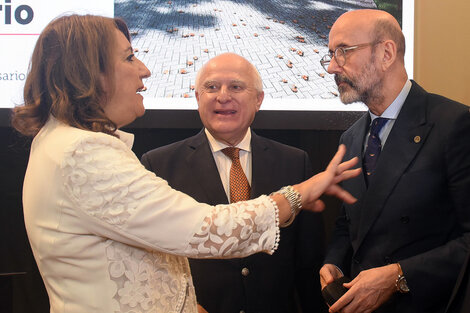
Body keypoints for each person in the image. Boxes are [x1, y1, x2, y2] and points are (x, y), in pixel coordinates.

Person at [11, 14, 360, 313]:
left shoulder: (64, 143)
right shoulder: (82, 153)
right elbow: (207, 229)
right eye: (130, 58)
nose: (145, 71)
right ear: (90, 73)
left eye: (237, 87)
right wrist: (297, 195)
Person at [141, 52, 327, 313]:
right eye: (211, 87)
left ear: (258, 99)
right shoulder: (159, 165)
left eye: (236, 87)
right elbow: (151, 263)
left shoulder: (294, 162)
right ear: (197, 98)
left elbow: (308, 263)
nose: (223, 96)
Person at [318, 9, 470, 313]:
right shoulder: (349, 139)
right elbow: (349, 224)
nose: (332, 67)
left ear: (386, 53)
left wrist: (400, 275)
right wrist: (333, 260)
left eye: (343, 52)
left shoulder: (453, 124)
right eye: (330, 55)